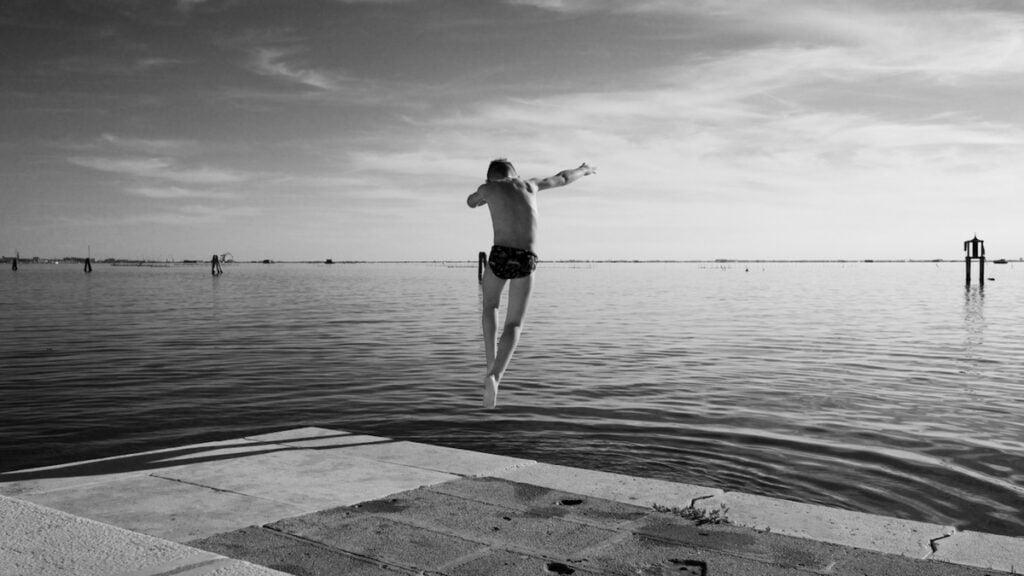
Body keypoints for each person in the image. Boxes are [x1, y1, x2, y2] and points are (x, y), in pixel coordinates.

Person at [467, 158, 597, 408]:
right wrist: (584, 170)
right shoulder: (529, 185)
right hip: (526, 258)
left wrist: (481, 198)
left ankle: (489, 365)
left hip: (500, 255)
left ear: (489, 178)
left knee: (490, 306)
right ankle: (497, 376)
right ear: (515, 174)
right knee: (514, 323)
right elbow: (562, 178)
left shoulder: (488, 189)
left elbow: (470, 202)